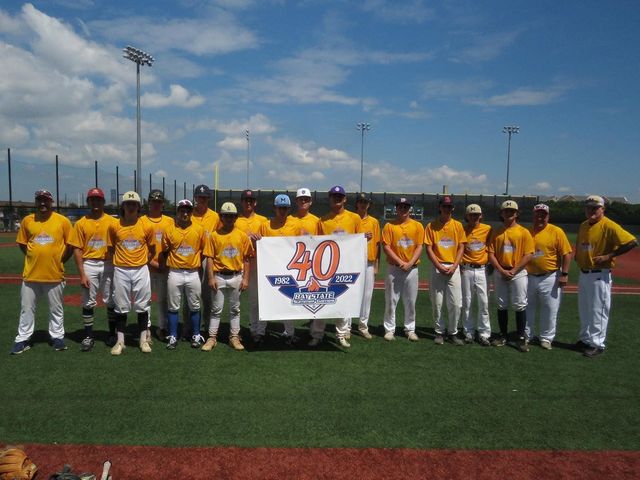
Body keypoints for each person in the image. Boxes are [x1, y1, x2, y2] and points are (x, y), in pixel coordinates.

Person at [11, 190, 72, 354]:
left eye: (46, 200)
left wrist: (59, 260)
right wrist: (33, 256)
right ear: (36, 202)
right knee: (27, 308)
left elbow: (71, 245)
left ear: (51, 202)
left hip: (54, 275)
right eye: (39, 200)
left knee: (56, 309)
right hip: (31, 275)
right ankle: (23, 339)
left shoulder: (63, 221)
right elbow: (23, 243)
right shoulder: (27, 221)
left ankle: (57, 337)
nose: (42, 203)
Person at [575, 195, 637, 358]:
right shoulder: (583, 225)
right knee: (585, 308)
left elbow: (631, 241)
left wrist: (610, 255)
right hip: (584, 272)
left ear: (603, 209)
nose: (591, 210)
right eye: (588, 207)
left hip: (599, 274)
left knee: (598, 310)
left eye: (595, 208)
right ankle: (586, 338)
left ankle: (597, 343)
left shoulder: (609, 225)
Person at [309, 185, 362, 348]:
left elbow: (358, 242)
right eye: (334, 196)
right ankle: (317, 334)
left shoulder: (354, 218)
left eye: (340, 196)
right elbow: (317, 245)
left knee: (343, 300)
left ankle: (341, 334)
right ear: (330, 199)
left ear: (345, 199)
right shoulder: (322, 220)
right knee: (322, 300)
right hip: (326, 267)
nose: (337, 199)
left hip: (346, 265)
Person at [68, 188, 119, 351]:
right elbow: (77, 249)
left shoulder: (113, 221)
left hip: (108, 263)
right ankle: (89, 336)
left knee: (110, 300)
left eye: (98, 199)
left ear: (103, 202)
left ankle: (112, 333)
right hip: (89, 263)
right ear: (88, 202)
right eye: (92, 199)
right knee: (88, 301)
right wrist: (82, 273)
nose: (95, 202)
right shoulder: (81, 223)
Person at [107, 191, 155, 355]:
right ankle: (120, 341)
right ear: (123, 206)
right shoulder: (114, 225)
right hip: (120, 270)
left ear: (138, 207)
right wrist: (123, 261)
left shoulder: (146, 225)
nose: (131, 206)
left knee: (142, 306)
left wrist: (139, 261)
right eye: (128, 203)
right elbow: (110, 248)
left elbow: (152, 249)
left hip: (141, 269)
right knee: (121, 306)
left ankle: (143, 340)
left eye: (134, 204)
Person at [202, 202, 253, 351]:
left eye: (232, 216)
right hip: (219, 276)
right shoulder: (214, 236)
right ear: (221, 217)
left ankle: (234, 337)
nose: (229, 218)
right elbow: (209, 258)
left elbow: (247, 258)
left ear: (236, 218)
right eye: (226, 215)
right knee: (216, 309)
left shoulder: (242, 236)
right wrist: (210, 278)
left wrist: (246, 278)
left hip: (236, 276)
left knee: (235, 309)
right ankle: (212, 338)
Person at [487, 200, 534, 352]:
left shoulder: (523, 232)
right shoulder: (497, 231)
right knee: (502, 304)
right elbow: (491, 253)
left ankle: (521, 337)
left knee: (520, 304)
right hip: (500, 271)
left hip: (518, 272)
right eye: (506, 211)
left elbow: (529, 254)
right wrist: (500, 269)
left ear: (516, 213)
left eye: (512, 211)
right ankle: (502, 335)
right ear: (502, 213)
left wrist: (514, 270)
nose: (509, 213)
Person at [160, 199, 207, 350]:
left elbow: (204, 251)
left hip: (193, 272)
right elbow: (165, 251)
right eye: (182, 210)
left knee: (195, 305)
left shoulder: (199, 229)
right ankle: (173, 335)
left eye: (188, 210)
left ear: (192, 212)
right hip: (175, 271)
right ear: (177, 212)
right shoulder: (169, 229)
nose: (185, 213)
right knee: (173, 306)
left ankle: (195, 335)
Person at [525, 204, 573, 350]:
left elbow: (566, 254)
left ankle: (546, 338)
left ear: (548, 216)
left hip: (549, 276)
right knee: (527, 307)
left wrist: (564, 274)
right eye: (537, 214)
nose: (540, 217)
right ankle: (527, 335)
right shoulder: (527, 232)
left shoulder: (556, 231)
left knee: (550, 308)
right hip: (528, 276)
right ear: (533, 216)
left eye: (543, 215)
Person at [257, 194, 301, 345]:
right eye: (279, 208)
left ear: (289, 209)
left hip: (288, 270)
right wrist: (256, 240)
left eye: (285, 208)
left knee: (288, 300)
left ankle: (289, 333)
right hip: (268, 270)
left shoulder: (295, 225)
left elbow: (300, 247)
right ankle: (260, 332)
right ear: (274, 208)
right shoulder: (266, 225)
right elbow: (259, 247)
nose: (282, 210)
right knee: (265, 300)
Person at [424, 196, 467, 345]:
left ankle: (453, 332)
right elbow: (428, 248)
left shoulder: (458, 226)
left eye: (449, 207)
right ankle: (439, 332)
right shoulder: (431, 226)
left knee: (455, 303)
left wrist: (455, 266)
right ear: (440, 207)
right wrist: (439, 266)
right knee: (437, 302)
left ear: (452, 208)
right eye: (444, 206)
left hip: (453, 267)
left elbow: (462, 246)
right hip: (437, 267)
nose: (447, 209)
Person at [381, 197, 424, 342]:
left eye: (406, 207)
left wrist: (410, 263)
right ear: (396, 208)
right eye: (400, 206)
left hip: (412, 269)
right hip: (394, 268)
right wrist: (400, 262)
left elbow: (419, 246)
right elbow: (386, 246)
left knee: (410, 301)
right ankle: (389, 329)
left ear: (410, 208)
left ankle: (410, 329)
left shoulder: (418, 226)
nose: (403, 209)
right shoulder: (389, 226)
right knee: (391, 300)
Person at [140, 189, 174, 343]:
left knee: (162, 300)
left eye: (159, 201)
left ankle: (162, 327)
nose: (156, 204)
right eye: (153, 201)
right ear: (149, 203)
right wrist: (151, 262)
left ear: (162, 204)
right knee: (145, 300)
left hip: (164, 267)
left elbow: (172, 245)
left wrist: (165, 264)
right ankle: (146, 329)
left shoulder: (169, 221)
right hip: (145, 266)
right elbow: (141, 246)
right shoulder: (142, 221)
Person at [235, 189, 268, 341]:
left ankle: (257, 330)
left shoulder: (263, 220)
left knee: (257, 299)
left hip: (256, 261)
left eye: (251, 200)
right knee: (235, 300)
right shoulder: (235, 220)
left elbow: (269, 243)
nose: (248, 203)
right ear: (241, 202)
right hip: (238, 262)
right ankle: (235, 331)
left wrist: (261, 239)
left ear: (255, 202)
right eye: (245, 200)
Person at [189, 184, 220, 341]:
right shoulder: (189, 214)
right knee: (190, 295)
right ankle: (189, 328)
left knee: (208, 295)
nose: (202, 200)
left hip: (207, 258)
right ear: (195, 198)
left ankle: (208, 327)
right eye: (200, 197)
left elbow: (220, 235)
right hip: (191, 258)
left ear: (209, 199)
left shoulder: (215, 216)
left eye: (205, 197)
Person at [460, 204, 492, 346]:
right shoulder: (462, 230)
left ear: (481, 215)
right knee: (467, 302)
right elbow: (458, 249)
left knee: (483, 302)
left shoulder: (487, 229)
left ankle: (484, 333)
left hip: (482, 270)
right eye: (471, 214)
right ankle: (468, 332)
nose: (474, 217)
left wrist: (490, 264)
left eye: (476, 214)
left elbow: (491, 248)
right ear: (466, 216)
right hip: (466, 269)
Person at [354, 193, 381, 340]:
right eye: (361, 202)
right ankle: (345, 327)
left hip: (369, 263)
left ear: (369, 204)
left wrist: (377, 265)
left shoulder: (374, 222)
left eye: (366, 202)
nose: (363, 204)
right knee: (350, 294)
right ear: (357, 203)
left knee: (367, 296)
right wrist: (361, 237)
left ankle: (363, 326)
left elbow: (378, 245)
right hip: (353, 262)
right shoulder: (351, 218)